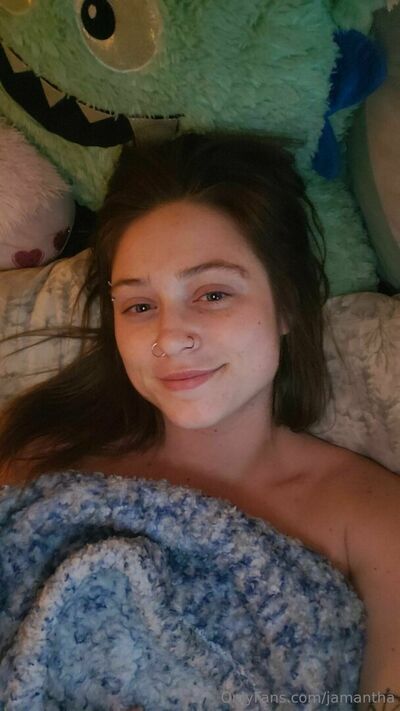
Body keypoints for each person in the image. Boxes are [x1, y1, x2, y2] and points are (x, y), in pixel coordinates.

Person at [0, 133, 399, 708]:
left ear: (287, 303)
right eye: (140, 306)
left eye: (212, 294)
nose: (169, 337)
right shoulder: (38, 457)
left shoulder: (374, 519)